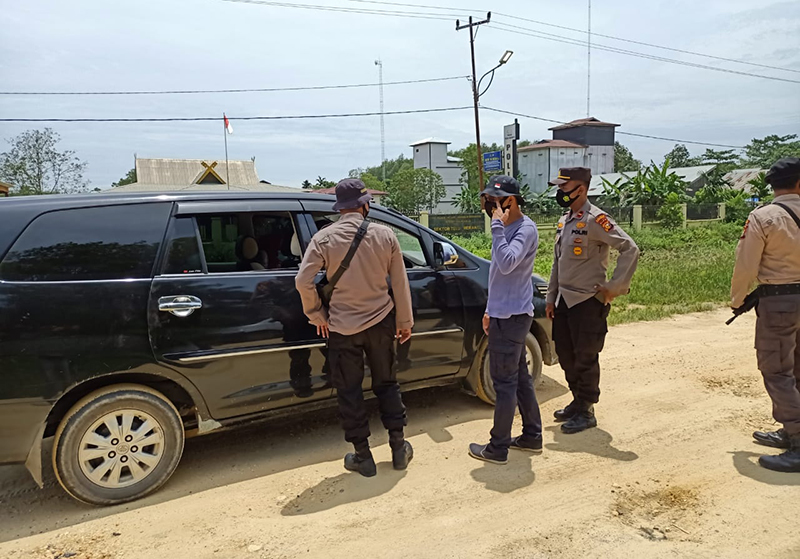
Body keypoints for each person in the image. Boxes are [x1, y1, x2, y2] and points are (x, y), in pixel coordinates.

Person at [295, 178, 414, 477]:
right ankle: (398, 448)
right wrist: (404, 322)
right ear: (365, 205)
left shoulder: (324, 238)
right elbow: (399, 283)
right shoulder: (386, 236)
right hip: (381, 322)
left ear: (340, 207)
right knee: (387, 384)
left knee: (349, 391)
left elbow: (302, 281)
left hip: (342, 327)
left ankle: (364, 456)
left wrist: (316, 314)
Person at [545, 167, 640, 434]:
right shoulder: (566, 220)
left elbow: (630, 248)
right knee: (565, 354)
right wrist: (551, 297)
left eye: (564, 187)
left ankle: (587, 409)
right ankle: (577, 401)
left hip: (587, 301)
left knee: (585, 356)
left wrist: (615, 287)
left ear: (581, 189)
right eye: (559, 188)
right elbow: (557, 263)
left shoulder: (596, 220)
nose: (560, 192)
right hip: (565, 300)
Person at [730, 157, 800, 473]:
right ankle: (790, 430)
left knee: (777, 369)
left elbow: (746, 265)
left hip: (779, 302)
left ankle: (798, 439)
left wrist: (738, 298)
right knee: (797, 368)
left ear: (772, 185)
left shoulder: (764, 217)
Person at [468, 175, 543, 465]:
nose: (489, 208)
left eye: (493, 203)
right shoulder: (508, 227)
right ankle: (532, 436)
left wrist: (497, 227)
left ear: (509, 202)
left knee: (505, 383)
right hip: (503, 313)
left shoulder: (524, 229)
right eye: (487, 203)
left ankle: (498, 447)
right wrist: (489, 309)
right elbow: (497, 277)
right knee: (521, 379)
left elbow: (508, 262)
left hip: (513, 318)